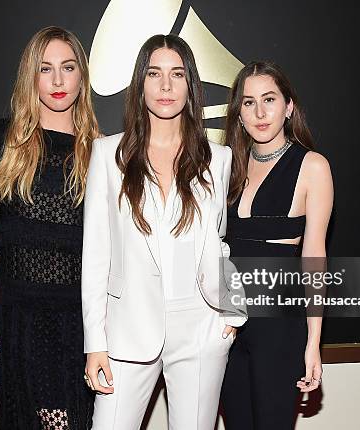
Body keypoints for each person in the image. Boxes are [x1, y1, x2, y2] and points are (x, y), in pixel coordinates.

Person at [81, 34, 246, 430]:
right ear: (141, 85)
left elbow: (218, 244)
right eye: (155, 74)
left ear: (191, 86)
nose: (166, 86)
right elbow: (95, 255)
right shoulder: (107, 155)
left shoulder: (218, 159)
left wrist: (232, 307)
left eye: (177, 74)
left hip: (201, 329)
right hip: (126, 330)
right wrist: (95, 343)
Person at [0, 26, 99, 429]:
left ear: (81, 77)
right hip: (20, 315)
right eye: (45, 68)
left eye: (67, 68)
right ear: (30, 77)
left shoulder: (100, 152)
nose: (57, 81)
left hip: (77, 320)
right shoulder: (1, 140)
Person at [220, 61, 334, 429]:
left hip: (280, 328)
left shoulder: (312, 166)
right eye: (249, 102)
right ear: (239, 114)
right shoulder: (225, 165)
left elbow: (314, 255)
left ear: (289, 106)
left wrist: (313, 341)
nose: (260, 112)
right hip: (226, 326)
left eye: (269, 99)